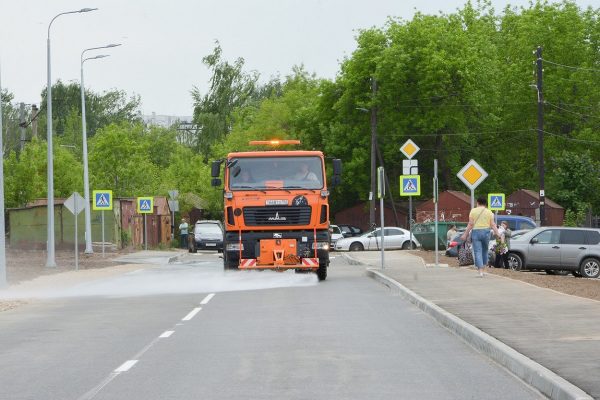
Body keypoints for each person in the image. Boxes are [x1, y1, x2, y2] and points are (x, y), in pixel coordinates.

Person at [461, 197, 500, 277]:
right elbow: (492, 224)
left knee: (477, 251)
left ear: (477, 202)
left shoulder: (473, 211)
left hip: (476, 232)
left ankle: (480, 271)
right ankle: (485, 269)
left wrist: (465, 234)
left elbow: (470, 224)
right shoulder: (489, 212)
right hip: (486, 232)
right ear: (485, 204)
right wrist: (497, 233)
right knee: (485, 251)